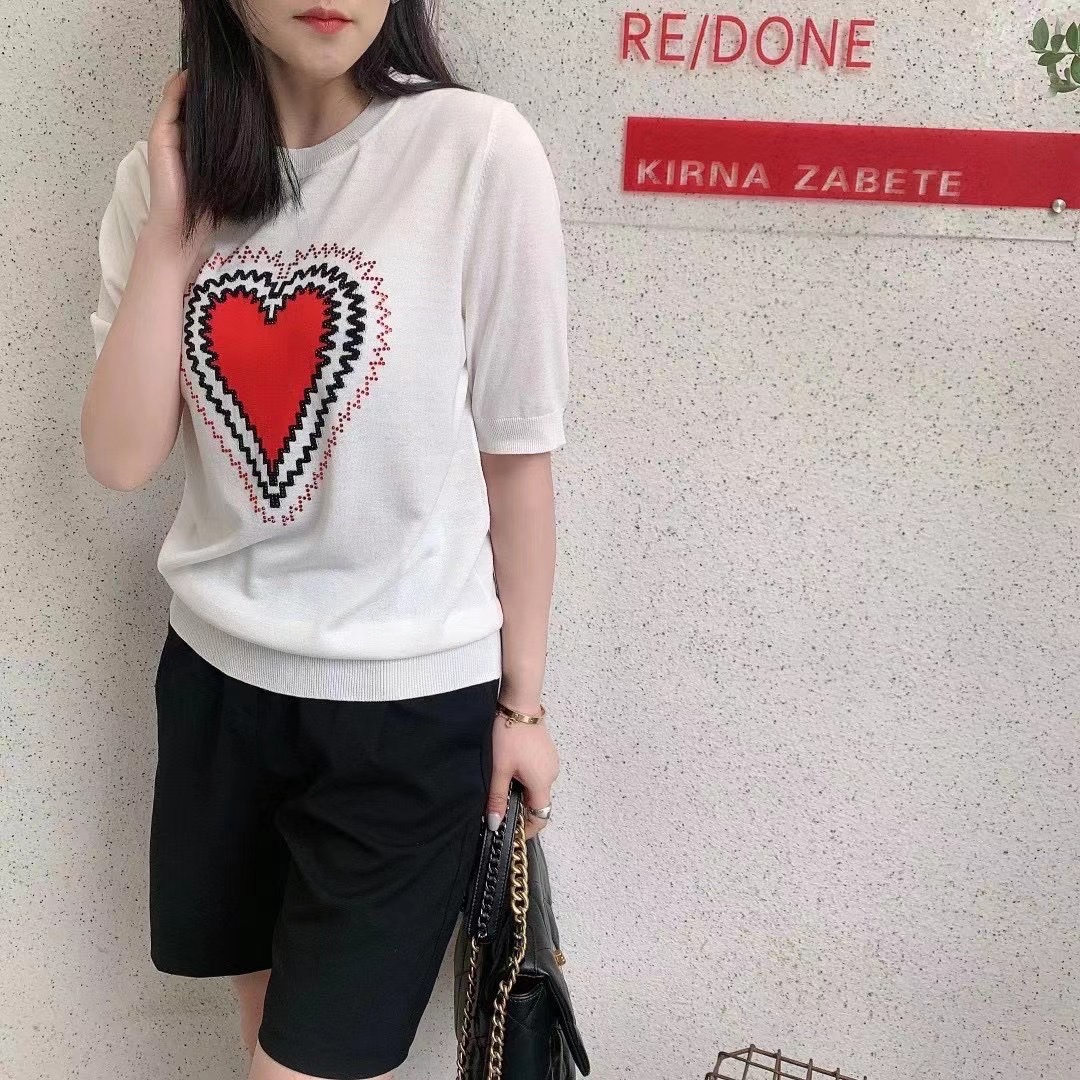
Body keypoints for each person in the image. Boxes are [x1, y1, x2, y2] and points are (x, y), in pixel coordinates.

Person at [80, 1, 569, 1077]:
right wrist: (169, 237)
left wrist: (523, 705)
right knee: (265, 1036)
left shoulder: (475, 150)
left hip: (405, 712)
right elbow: (119, 456)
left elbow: (517, 457)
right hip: (218, 684)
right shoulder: (165, 176)